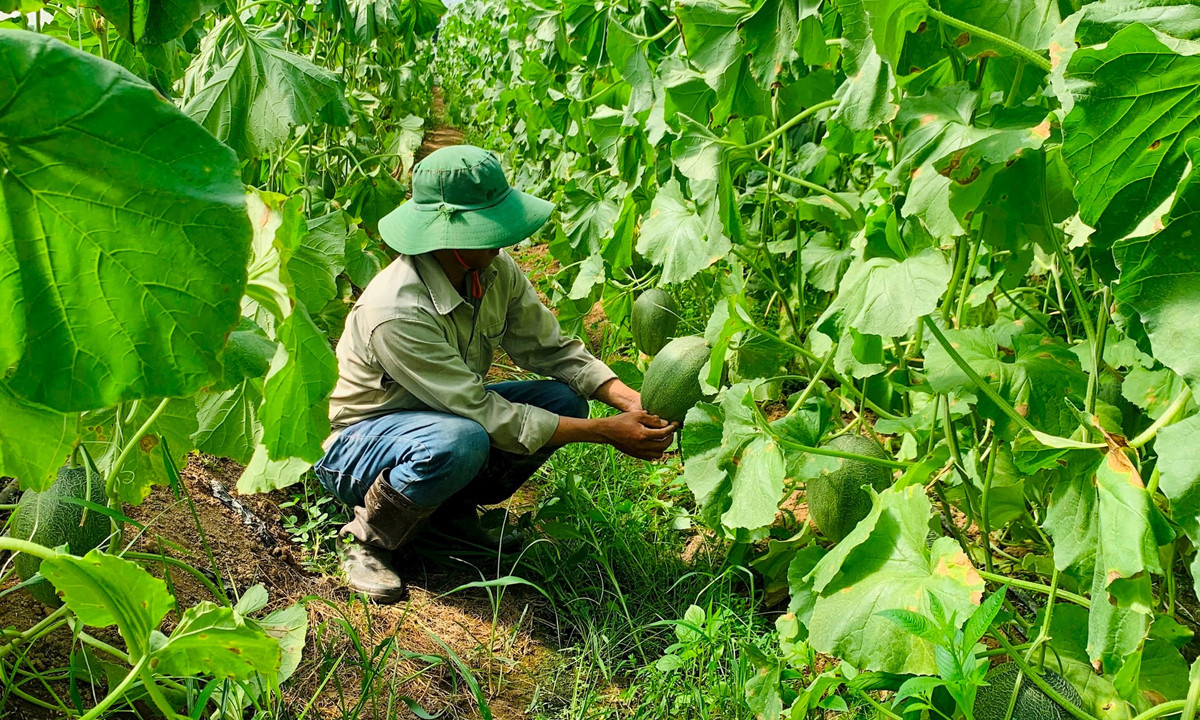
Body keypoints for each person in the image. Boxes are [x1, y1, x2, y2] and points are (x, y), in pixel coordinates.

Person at [316, 145, 678, 603]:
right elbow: (480, 411)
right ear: (448, 235)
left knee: (564, 401)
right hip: (359, 445)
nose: (504, 238)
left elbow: (550, 348)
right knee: (460, 441)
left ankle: (445, 514)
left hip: (442, 419)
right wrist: (605, 432)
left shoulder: (493, 270)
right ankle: (368, 539)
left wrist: (627, 399)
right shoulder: (396, 310)